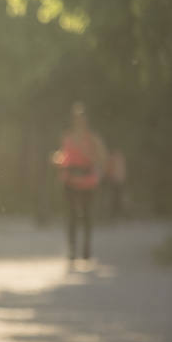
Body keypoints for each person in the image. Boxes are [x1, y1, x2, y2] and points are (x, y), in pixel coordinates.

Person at [51, 102, 107, 269]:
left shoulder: (93, 138)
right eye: (76, 118)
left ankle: (86, 249)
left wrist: (97, 171)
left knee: (88, 216)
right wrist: (57, 160)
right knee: (72, 216)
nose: (79, 121)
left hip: (88, 180)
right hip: (70, 180)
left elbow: (102, 157)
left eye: (81, 117)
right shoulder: (67, 137)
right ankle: (72, 250)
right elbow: (63, 156)